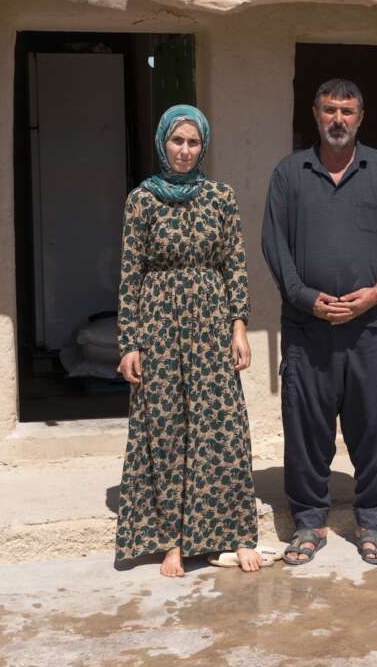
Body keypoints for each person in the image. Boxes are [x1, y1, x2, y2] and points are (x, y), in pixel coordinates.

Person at [261, 78, 377, 566]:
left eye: (347, 111)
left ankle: (371, 522)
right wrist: (306, 297)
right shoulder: (290, 173)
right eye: (330, 110)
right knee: (306, 429)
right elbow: (274, 246)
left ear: (361, 117)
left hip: (373, 328)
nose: (338, 120)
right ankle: (308, 522)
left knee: (375, 428)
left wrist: (375, 295)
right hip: (309, 329)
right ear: (315, 114)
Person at [114, 104, 263, 577]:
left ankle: (236, 533)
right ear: (163, 142)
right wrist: (129, 342)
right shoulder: (141, 199)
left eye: (193, 142)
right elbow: (130, 273)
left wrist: (239, 325)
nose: (184, 150)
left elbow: (234, 263)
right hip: (158, 324)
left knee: (221, 425)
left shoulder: (220, 197)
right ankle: (170, 540)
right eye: (177, 141)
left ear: (203, 146)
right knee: (164, 428)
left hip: (211, 322)